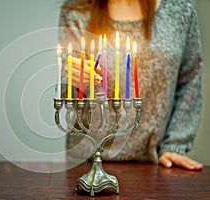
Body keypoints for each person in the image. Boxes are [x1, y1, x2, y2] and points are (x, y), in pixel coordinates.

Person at [58, 0, 204, 170]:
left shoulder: (180, 10)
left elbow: (190, 78)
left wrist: (175, 144)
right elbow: (65, 85)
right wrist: (76, 82)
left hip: (157, 165)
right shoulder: (76, 11)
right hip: (86, 165)